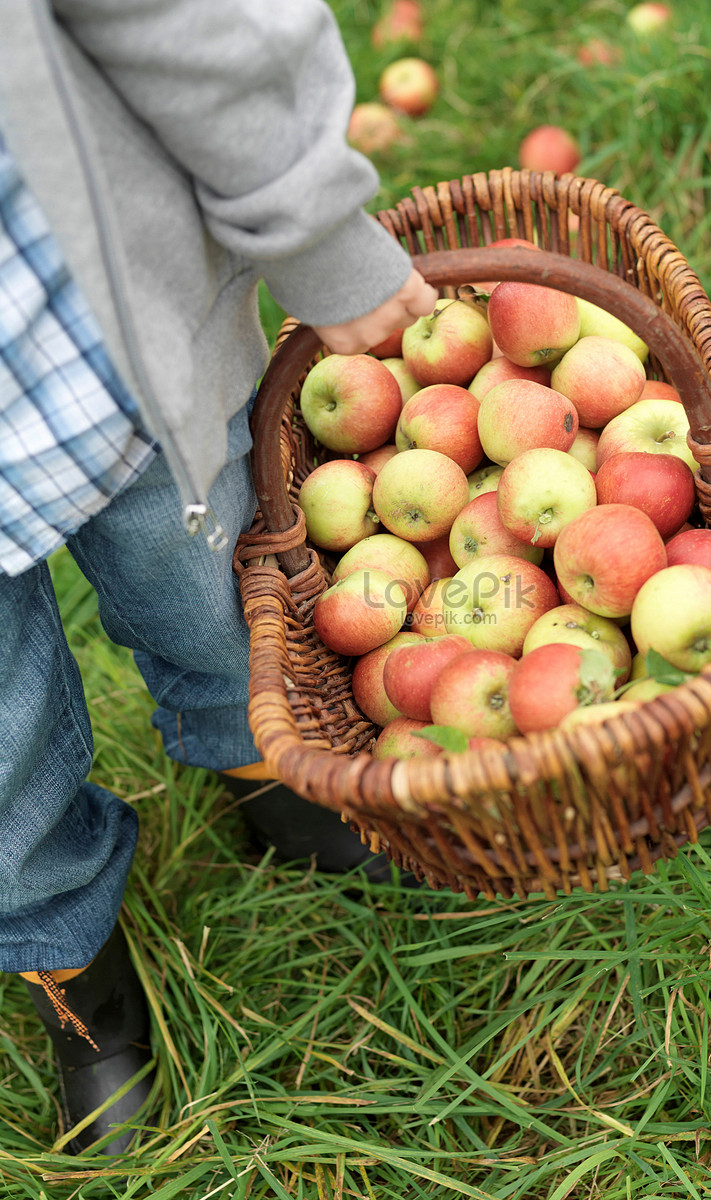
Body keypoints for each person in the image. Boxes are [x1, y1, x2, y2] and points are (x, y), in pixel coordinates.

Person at [0, 0, 438, 1157]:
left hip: (99, 340)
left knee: (215, 591)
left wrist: (315, 229)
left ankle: (259, 758)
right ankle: (66, 958)